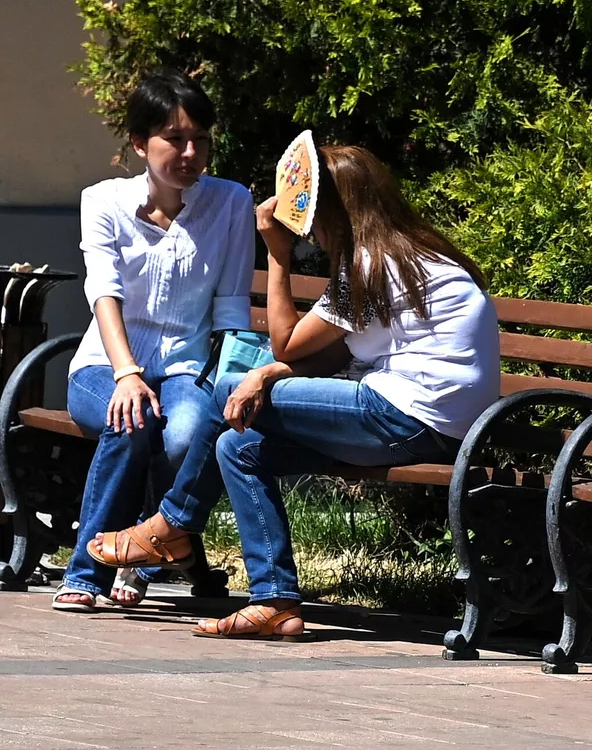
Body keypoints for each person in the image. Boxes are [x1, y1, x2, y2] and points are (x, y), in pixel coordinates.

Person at [86, 145, 501, 638]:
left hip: (406, 415)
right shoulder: (405, 256)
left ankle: (171, 526)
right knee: (237, 447)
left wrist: (276, 253)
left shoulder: (371, 266)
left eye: (314, 215)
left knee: (225, 391)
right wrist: (265, 375)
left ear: (337, 211)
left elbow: (286, 341)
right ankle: (274, 601)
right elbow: (328, 356)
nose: (310, 231)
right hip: (431, 424)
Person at [50, 71, 254, 613]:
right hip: (104, 366)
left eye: (200, 140)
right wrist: (126, 374)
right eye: (174, 139)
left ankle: (139, 555)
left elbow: (232, 303)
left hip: (185, 367)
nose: (190, 153)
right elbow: (104, 292)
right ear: (140, 143)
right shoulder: (103, 201)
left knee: (185, 434)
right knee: (131, 419)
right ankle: (87, 571)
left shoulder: (231, 201)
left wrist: (233, 381)